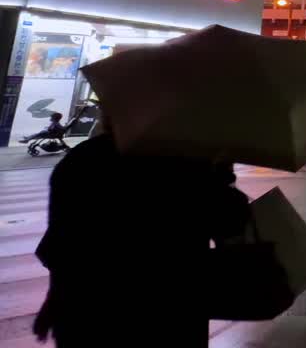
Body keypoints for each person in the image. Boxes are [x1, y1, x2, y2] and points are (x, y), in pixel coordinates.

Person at [33, 123, 250, 345]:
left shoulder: (82, 158)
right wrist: (223, 176)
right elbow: (229, 227)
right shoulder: (190, 160)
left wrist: (55, 298)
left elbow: (61, 244)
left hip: (84, 310)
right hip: (169, 310)